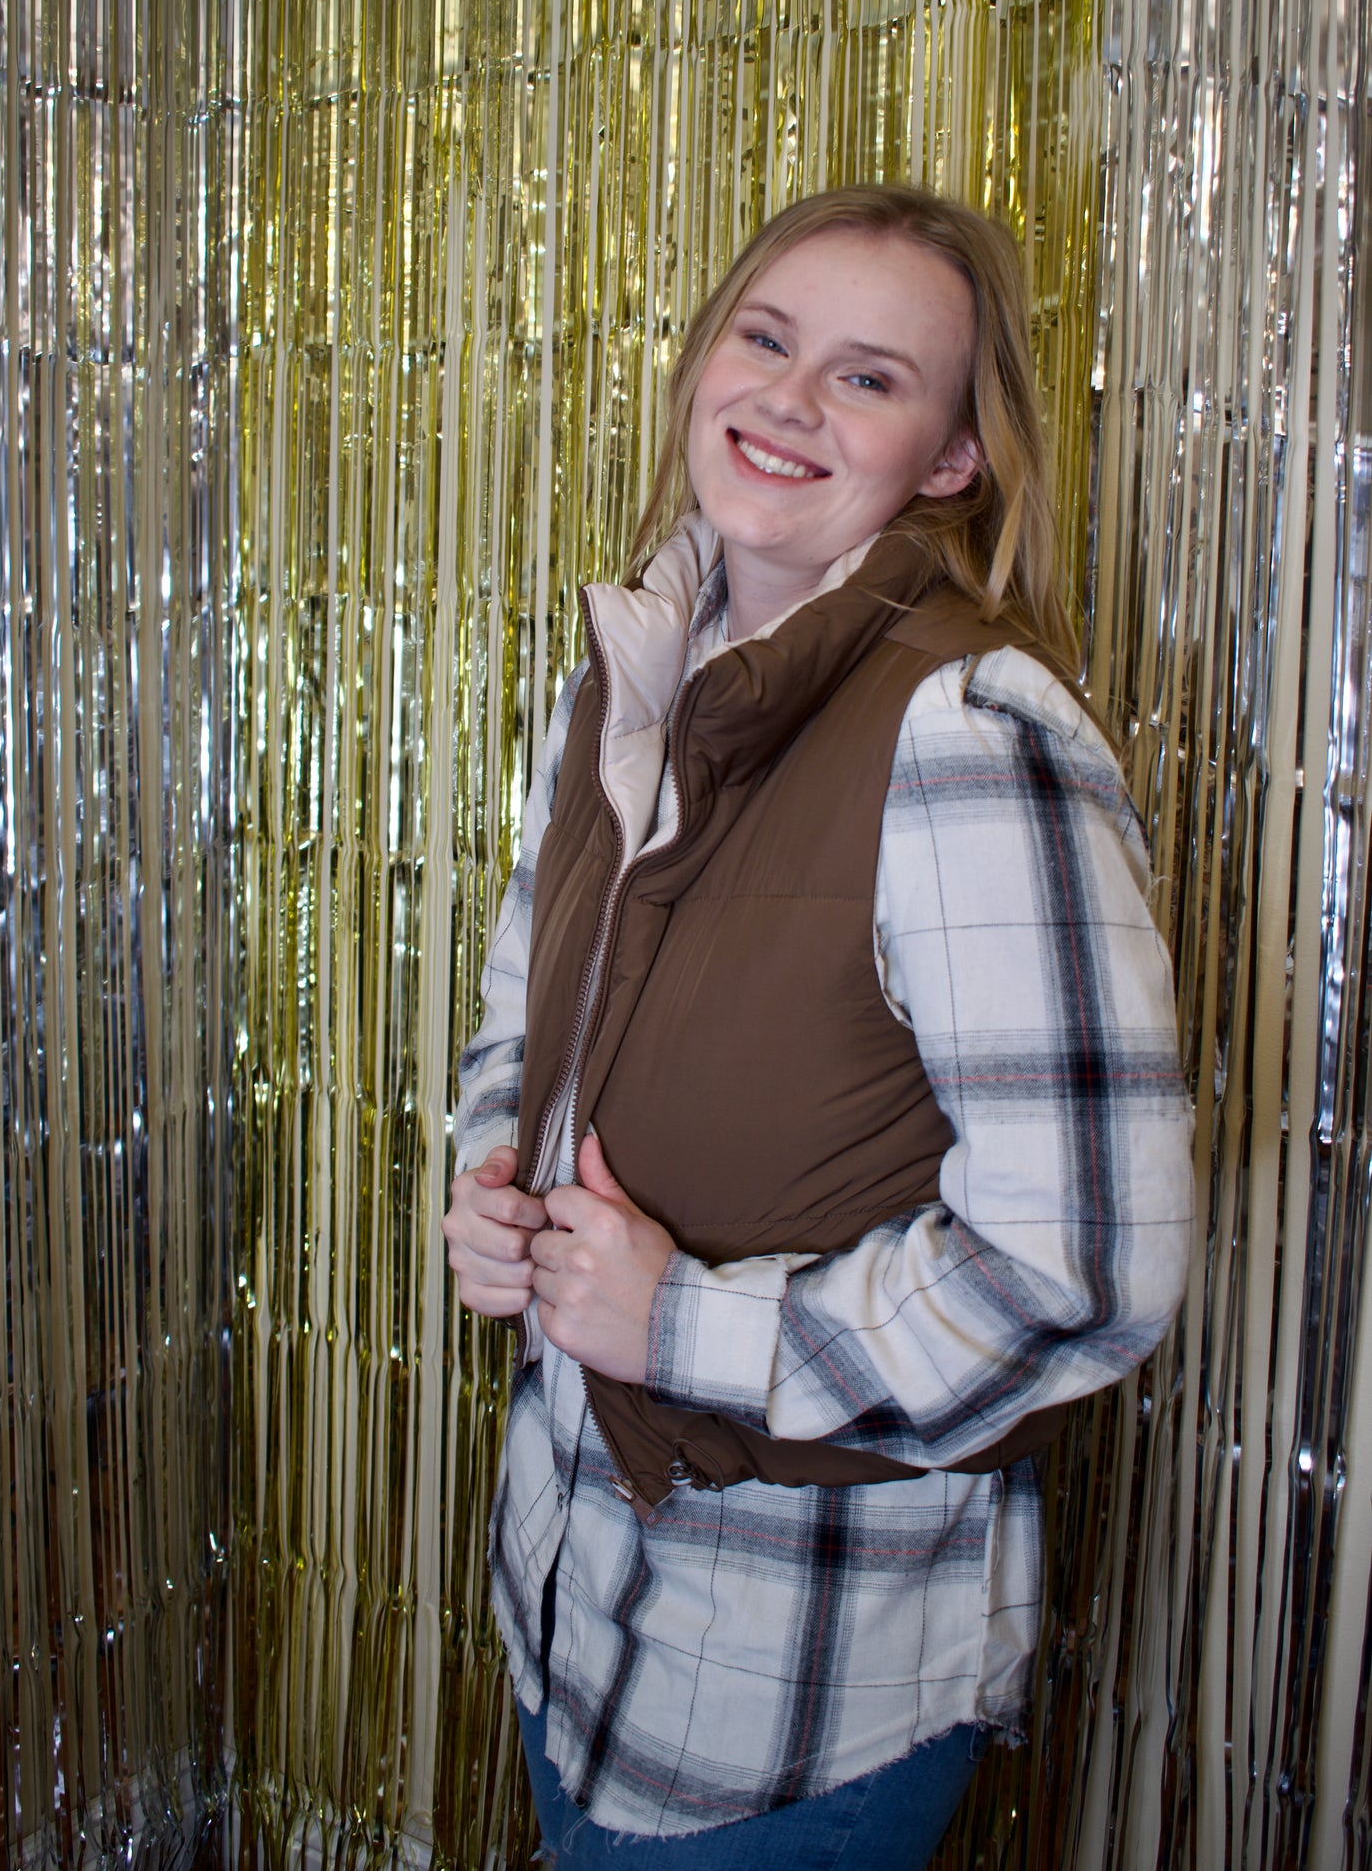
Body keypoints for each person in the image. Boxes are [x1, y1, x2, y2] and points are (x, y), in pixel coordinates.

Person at [443, 185, 1194, 1869]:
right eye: (765, 338)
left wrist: (682, 1328)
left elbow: (1084, 1271)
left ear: (948, 457)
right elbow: (520, 1027)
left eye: (865, 378)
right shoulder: (629, 672)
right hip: (572, 1613)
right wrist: (499, 1179)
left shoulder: (971, 730)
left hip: (790, 1697)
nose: (784, 399)